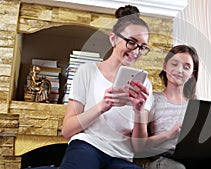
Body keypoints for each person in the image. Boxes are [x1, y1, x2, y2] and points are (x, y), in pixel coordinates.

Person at [23, 5, 152, 169]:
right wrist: (102, 106)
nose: (136, 51)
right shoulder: (87, 71)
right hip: (88, 146)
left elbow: (139, 148)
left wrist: (139, 112)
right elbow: (67, 130)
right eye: (131, 42)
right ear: (113, 39)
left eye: (142, 46)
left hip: (121, 156)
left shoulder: (144, 84)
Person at [132, 45, 211, 169]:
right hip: (166, 159)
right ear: (164, 66)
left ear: (192, 74)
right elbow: (140, 146)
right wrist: (169, 135)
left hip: (201, 160)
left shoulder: (199, 105)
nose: (179, 70)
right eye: (174, 64)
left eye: (186, 67)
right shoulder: (152, 99)